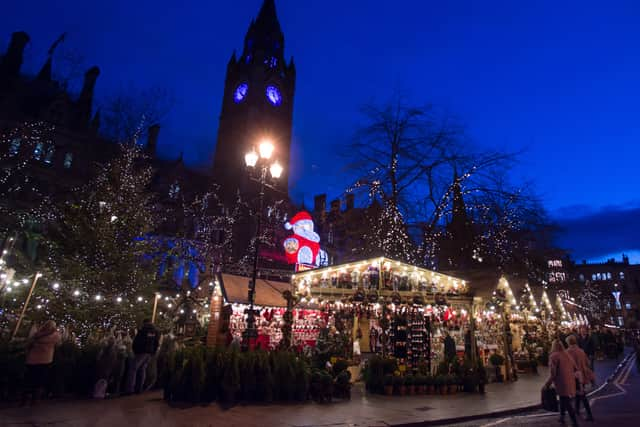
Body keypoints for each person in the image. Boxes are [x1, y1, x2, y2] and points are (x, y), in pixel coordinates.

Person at [22, 320, 61, 405]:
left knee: (29, 379)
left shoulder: (37, 334)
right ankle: (34, 399)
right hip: (45, 360)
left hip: (32, 359)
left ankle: (25, 398)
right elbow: (58, 342)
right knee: (39, 380)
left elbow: (30, 340)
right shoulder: (54, 335)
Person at [543, 339, 579, 427]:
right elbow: (575, 367)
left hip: (561, 382)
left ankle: (574, 421)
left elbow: (553, 373)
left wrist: (547, 384)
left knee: (566, 401)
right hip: (569, 380)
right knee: (563, 399)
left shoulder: (553, 356)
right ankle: (562, 417)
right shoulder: (567, 354)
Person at [126, 319, 160, 394]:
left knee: (133, 369)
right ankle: (139, 388)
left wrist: (135, 350)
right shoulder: (155, 332)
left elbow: (137, 341)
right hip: (149, 353)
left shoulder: (143, 330)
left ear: (144, 323)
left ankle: (130, 389)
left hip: (141, 352)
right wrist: (153, 352)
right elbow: (156, 343)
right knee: (142, 370)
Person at [567, 335, 595, 421]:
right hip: (582, 375)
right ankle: (577, 410)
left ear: (568, 342)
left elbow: (567, 365)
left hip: (575, 376)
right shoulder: (581, 351)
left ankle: (589, 414)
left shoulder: (568, 352)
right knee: (579, 393)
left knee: (582, 395)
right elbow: (587, 362)